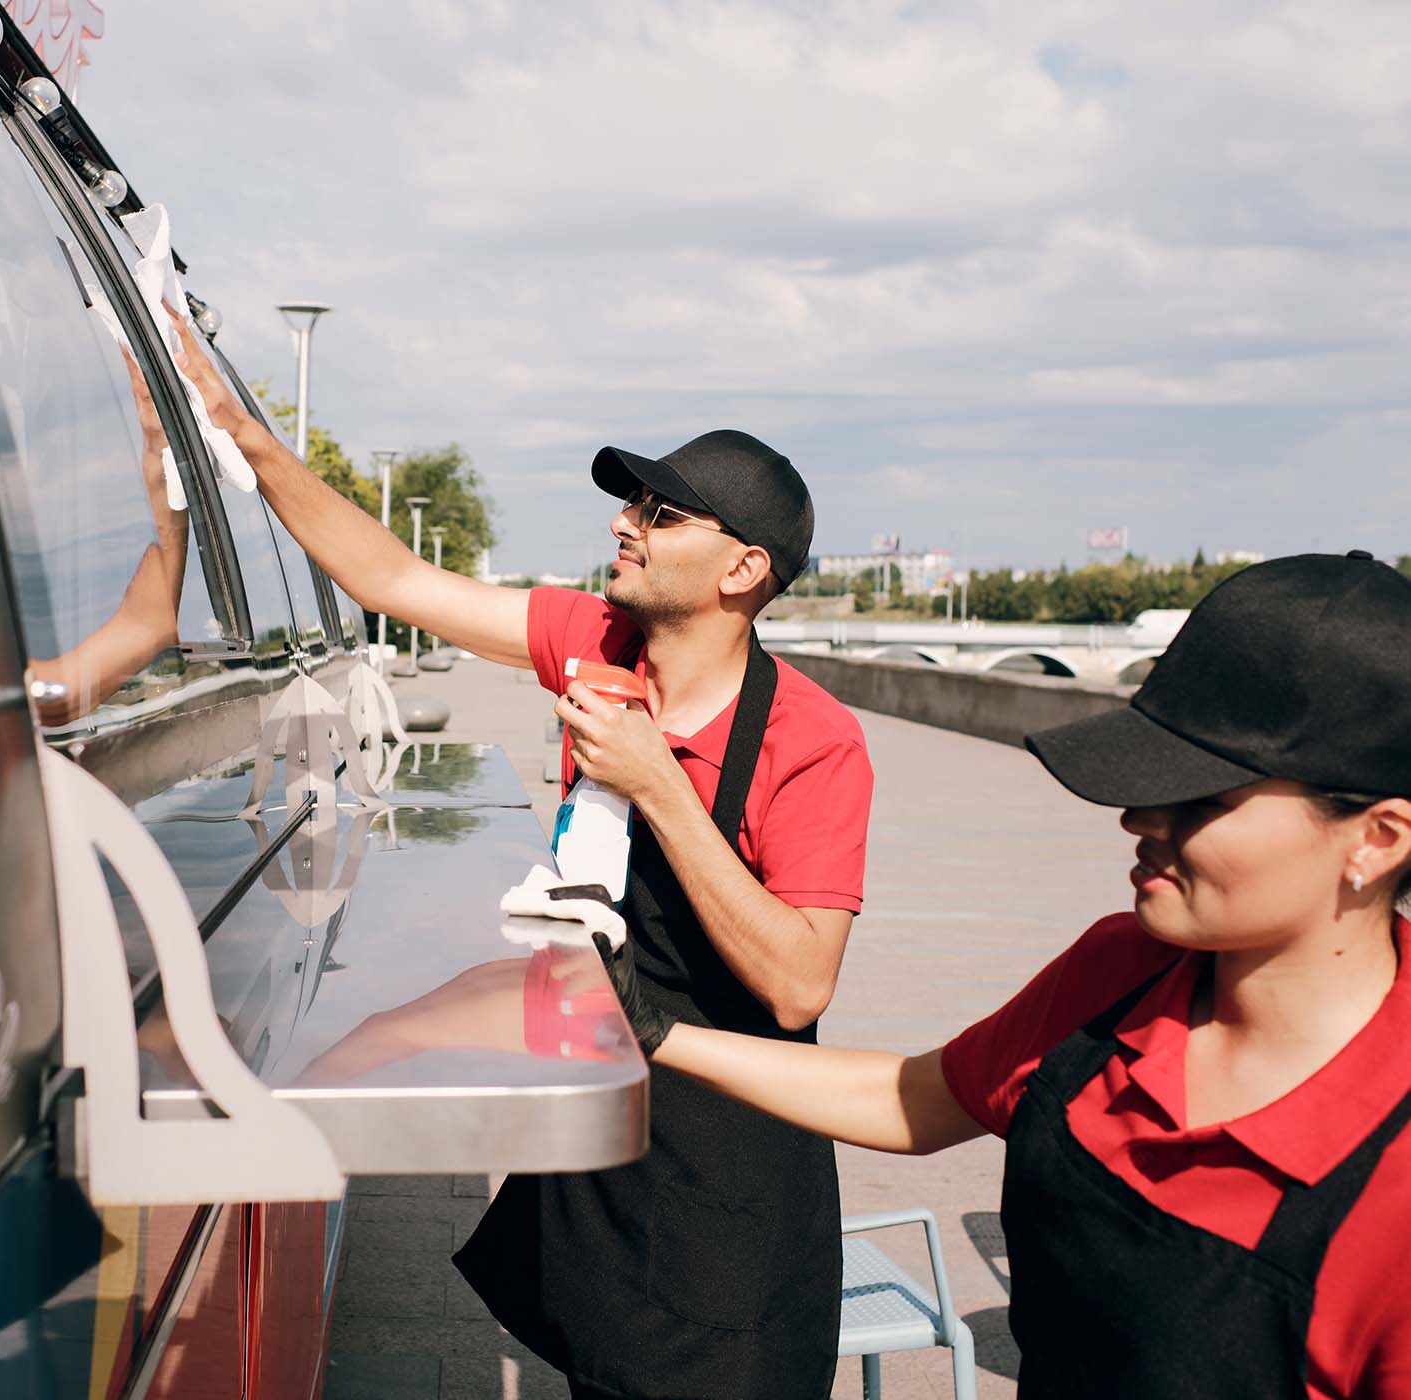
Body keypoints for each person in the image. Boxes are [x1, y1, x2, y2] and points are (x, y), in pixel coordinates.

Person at [173, 315, 874, 1399]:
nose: (625, 522)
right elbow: (393, 579)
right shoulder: (596, 637)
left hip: (729, 1189)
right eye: (633, 503)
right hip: (601, 1149)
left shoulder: (815, 740)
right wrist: (246, 438)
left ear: (743, 568)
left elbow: (797, 984)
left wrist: (655, 783)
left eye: (661, 512)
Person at [591, 552, 1411, 1398]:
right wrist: (653, 1031)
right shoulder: (1120, 970)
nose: (1137, 819)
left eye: (1201, 798)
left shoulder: (1395, 1180)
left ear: (1378, 838)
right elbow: (915, 1100)